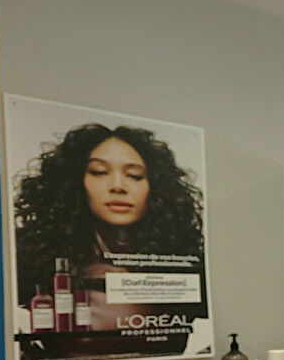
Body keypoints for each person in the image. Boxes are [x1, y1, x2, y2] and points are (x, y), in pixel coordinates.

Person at [12, 123, 206, 336]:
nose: (118, 186)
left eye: (134, 175)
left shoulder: (185, 261)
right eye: (100, 172)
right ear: (75, 181)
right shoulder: (37, 260)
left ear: (156, 186)